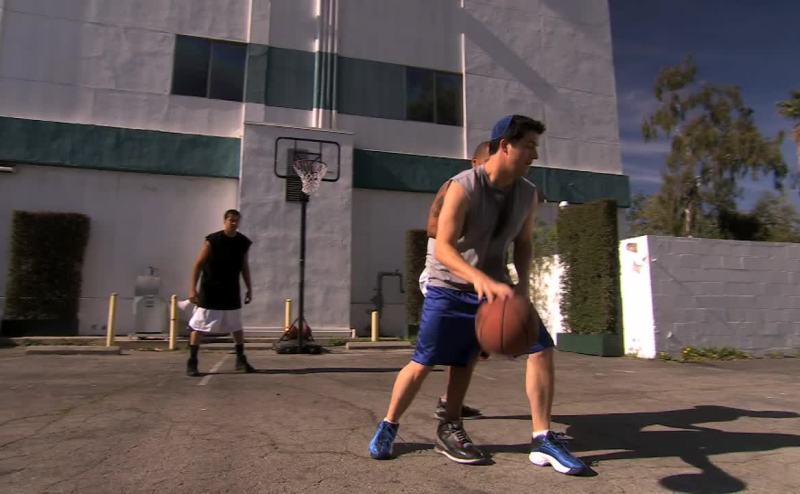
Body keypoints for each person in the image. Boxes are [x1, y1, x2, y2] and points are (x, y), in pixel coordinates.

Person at [369, 115, 586, 475]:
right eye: (529, 146)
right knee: (424, 362)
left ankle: (541, 438)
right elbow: (443, 248)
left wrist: (522, 286)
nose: (534, 155)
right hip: (449, 286)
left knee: (539, 348)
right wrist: (477, 279)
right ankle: (389, 424)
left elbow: (524, 243)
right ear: (505, 145)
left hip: (495, 286)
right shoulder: (463, 186)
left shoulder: (528, 194)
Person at [420, 141, 491, 421]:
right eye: (487, 163)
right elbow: (433, 227)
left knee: (471, 348)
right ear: (475, 163)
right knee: (430, 355)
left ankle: (450, 401)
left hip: (470, 280)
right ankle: (391, 422)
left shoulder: (496, 194)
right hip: (443, 277)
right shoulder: (457, 186)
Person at [186, 209, 256, 377]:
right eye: (231, 220)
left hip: (231, 289)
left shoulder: (243, 242)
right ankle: (192, 361)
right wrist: (192, 288)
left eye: (236, 220)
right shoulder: (212, 240)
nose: (234, 223)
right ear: (224, 221)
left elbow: (244, 267)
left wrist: (249, 288)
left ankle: (240, 359)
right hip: (210, 289)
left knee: (236, 326)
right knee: (198, 325)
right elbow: (198, 264)